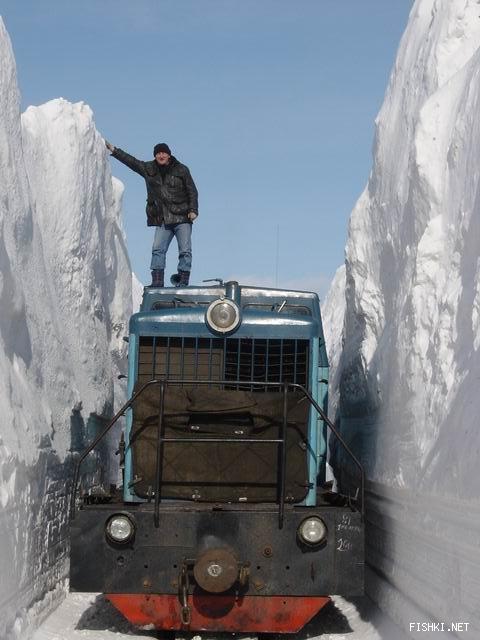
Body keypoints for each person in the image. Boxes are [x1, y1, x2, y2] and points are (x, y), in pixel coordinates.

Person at [105, 140, 198, 287]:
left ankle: (183, 281)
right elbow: (132, 162)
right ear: (155, 156)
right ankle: (157, 282)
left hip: (182, 217)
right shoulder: (148, 169)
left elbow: (192, 190)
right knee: (157, 249)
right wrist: (114, 151)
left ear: (169, 155)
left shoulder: (181, 170)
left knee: (185, 250)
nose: (161, 155)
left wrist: (193, 210)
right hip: (162, 219)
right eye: (158, 153)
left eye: (164, 153)